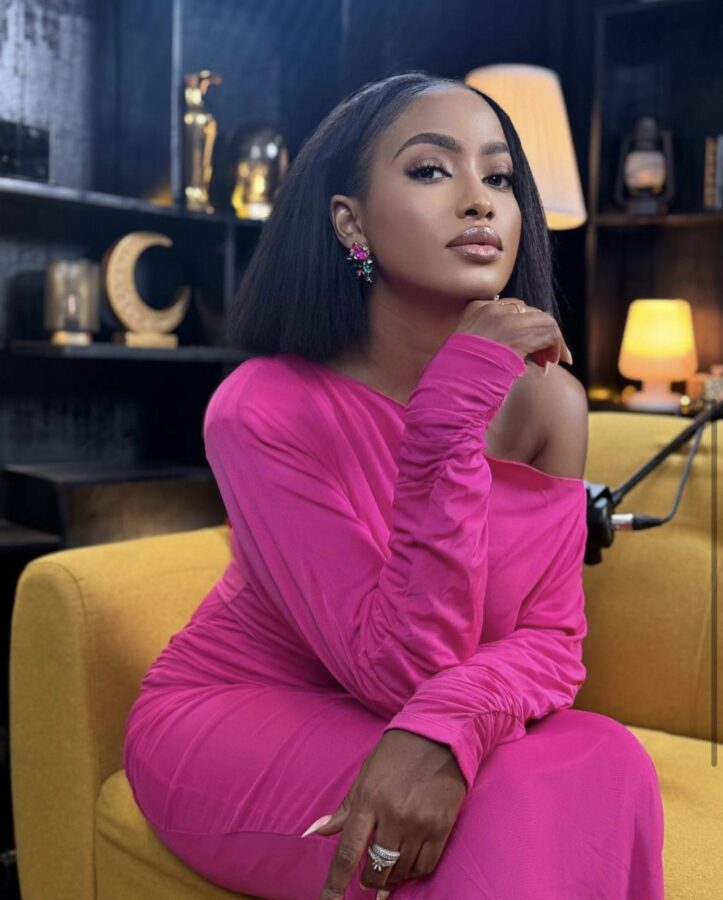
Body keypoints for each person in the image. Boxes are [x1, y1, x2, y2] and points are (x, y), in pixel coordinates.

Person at [123, 71, 665, 899]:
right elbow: (398, 671)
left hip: (409, 712)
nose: (479, 201)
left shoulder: (548, 400)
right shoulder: (261, 406)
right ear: (351, 222)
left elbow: (552, 641)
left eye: (499, 178)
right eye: (430, 169)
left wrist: (448, 727)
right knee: (495, 808)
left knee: (606, 756)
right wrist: (449, 412)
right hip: (239, 711)